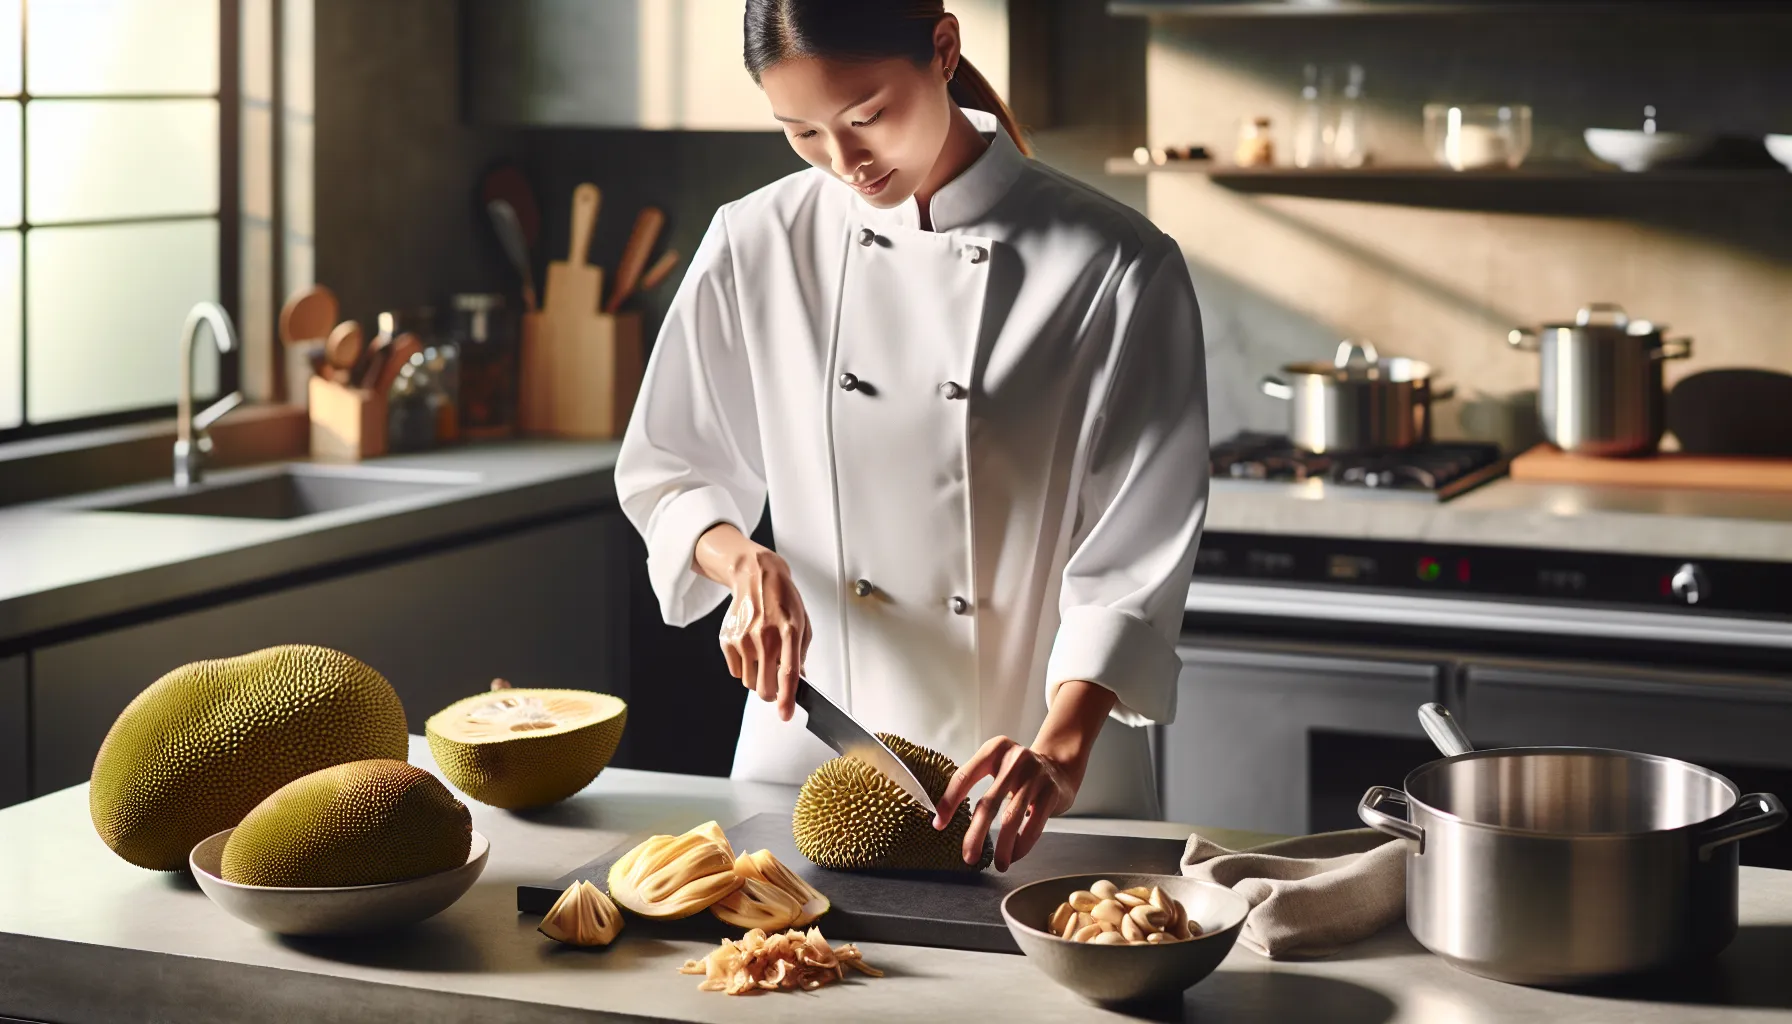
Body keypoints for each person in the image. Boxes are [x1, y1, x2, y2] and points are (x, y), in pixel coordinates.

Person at [615, 0, 1208, 871]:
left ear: (942, 48)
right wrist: (739, 561)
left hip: (1035, 781)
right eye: (802, 132)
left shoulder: (1115, 265)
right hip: (813, 769)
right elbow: (670, 468)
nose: (844, 162)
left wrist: (1061, 751)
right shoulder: (756, 241)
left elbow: (1132, 554)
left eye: (866, 118)